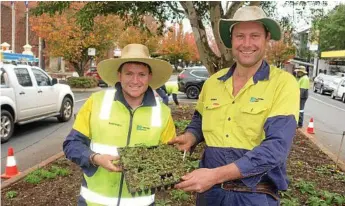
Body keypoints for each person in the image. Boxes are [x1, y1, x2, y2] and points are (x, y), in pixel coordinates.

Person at [169, 6, 300, 205]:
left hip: (254, 195)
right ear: (231, 40)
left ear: (266, 39)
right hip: (209, 195)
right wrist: (190, 137)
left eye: (254, 35)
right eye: (240, 36)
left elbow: (276, 147)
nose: (247, 43)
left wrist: (215, 175)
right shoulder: (213, 82)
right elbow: (200, 120)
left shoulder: (283, 84)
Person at [63, 44, 176, 206]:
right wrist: (96, 158)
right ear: (119, 75)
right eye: (129, 73)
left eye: (141, 74)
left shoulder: (163, 113)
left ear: (149, 77)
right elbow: (71, 144)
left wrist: (145, 166)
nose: (135, 81)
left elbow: (169, 164)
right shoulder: (96, 102)